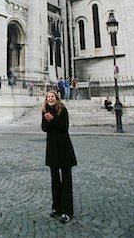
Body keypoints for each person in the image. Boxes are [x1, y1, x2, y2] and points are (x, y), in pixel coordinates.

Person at [41, 91, 77, 224]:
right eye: (48, 96)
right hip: (52, 149)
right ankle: (56, 207)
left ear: (56, 98)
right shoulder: (44, 111)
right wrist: (47, 120)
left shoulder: (63, 110)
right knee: (55, 180)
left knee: (66, 181)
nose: (50, 98)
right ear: (46, 99)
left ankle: (67, 211)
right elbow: (44, 128)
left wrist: (53, 119)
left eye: (52, 96)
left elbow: (64, 127)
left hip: (64, 148)